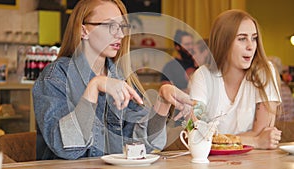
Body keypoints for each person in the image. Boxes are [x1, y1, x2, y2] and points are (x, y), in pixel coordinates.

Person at [32, 0, 194, 160]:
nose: (120, 34)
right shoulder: (56, 76)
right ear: (84, 31)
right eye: (110, 26)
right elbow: (66, 148)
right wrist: (94, 86)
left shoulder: (121, 76)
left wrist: (163, 102)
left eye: (121, 27)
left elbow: (145, 145)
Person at [188, 9, 282, 149]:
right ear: (223, 42)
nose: (251, 46)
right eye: (242, 38)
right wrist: (255, 141)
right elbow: (196, 135)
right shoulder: (202, 76)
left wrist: (216, 139)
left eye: (254, 38)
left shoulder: (264, 72)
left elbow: (264, 134)